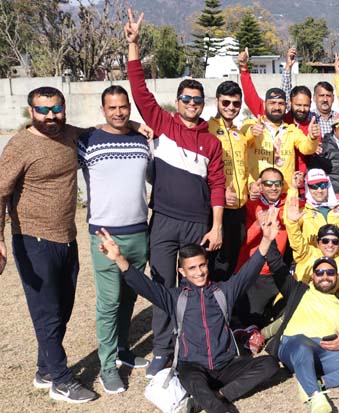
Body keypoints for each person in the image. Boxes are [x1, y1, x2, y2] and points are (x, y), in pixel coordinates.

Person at [95, 208, 282, 413]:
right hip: (193, 367)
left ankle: (217, 396)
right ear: (182, 272)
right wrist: (119, 258)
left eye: (202, 266)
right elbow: (144, 286)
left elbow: (249, 270)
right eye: (192, 268)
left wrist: (266, 239)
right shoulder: (175, 298)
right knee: (192, 381)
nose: (199, 272)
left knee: (270, 364)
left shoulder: (223, 292)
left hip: (226, 364)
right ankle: (221, 409)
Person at [125, 12, 229, 376]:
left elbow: (218, 185)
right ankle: (161, 350)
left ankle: (198, 345)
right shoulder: (163, 124)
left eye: (197, 100)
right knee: (163, 287)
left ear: (203, 104)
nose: (191, 104)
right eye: (186, 98)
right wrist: (133, 44)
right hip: (164, 224)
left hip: (198, 225)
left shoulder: (212, 142)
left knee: (198, 287)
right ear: (178, 100)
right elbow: (139, 91)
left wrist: (216, 227)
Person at [0, 86, 96, 402]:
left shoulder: (68, 134)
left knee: (63, 310)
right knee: (47, 313)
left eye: (56, 108)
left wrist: (136, 126)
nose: (50, 116)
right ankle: (61, 380)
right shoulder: (20, 146)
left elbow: (99, 131)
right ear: (31, 112)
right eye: (43, 110)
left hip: (67, 238)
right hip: (32, 241)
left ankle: (44, 369)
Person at [77, 85, 150, 393]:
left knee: (128, 298)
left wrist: (135, 126)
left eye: (124, 107)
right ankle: (108, 367)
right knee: (109, 303)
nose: (119, 112)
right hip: (106, 235)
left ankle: (122, 350)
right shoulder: (87, 141)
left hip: (139, 233)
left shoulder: (142, 140)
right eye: (112, 108)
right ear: (103, 109)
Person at [264, 251, 339, 413]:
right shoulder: (297, 291)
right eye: (319, 272)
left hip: (323, 353)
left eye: (330, 272)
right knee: (302, 344)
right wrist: (269, 240)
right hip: (294, 345)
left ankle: (317, 381)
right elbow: (278, 267)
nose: (325, 276)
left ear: (336, 277)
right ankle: (315, 396)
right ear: (313, 276)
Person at [209, 81, 255, 281]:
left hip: (239, 207)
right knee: (214, 260)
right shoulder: (206, 129)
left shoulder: (240, 134)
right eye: (225, 102)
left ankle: (225, 304)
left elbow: (246, 167)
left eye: (236, 104)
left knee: (232, 258)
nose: (230, 108)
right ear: (217, 101)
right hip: (217, 207)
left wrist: (252, 184)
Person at [234, 168, 291, 329]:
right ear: (260, 185)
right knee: (251, 321)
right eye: (268, 183)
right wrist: (258, 225)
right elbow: (240, 242)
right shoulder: (249, 203)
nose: (274, 188)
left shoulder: (289, 204)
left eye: (277, 183)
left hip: (277, 271)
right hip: (253, 273)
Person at [245, 87, 319, 191]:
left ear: (286, 106)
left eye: (281, 103)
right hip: (258, 192)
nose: (277, 107)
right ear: (264, 105)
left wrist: (312, 137)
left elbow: (307, 149)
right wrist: (251, 133)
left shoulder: (291, 129)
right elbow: (243, 142)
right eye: (272, 103)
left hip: (284, 194)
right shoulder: (252, 125)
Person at [286, 199, 339, 303]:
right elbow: (296, 240)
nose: (330, 245)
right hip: (298, 301)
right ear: (318, 243)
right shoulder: (307, 253)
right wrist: (292, 223)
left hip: (323, 305)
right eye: (325, 241)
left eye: (335, 242)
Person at [290, 169, 339, 258]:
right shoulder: (302, 211)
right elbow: (294, 238)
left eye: (323, 185)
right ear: (307, 187)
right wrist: (293, 189)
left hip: (338, 262)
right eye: (314, 186)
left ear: (328, 185)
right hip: (311, 263)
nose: (319, 190)